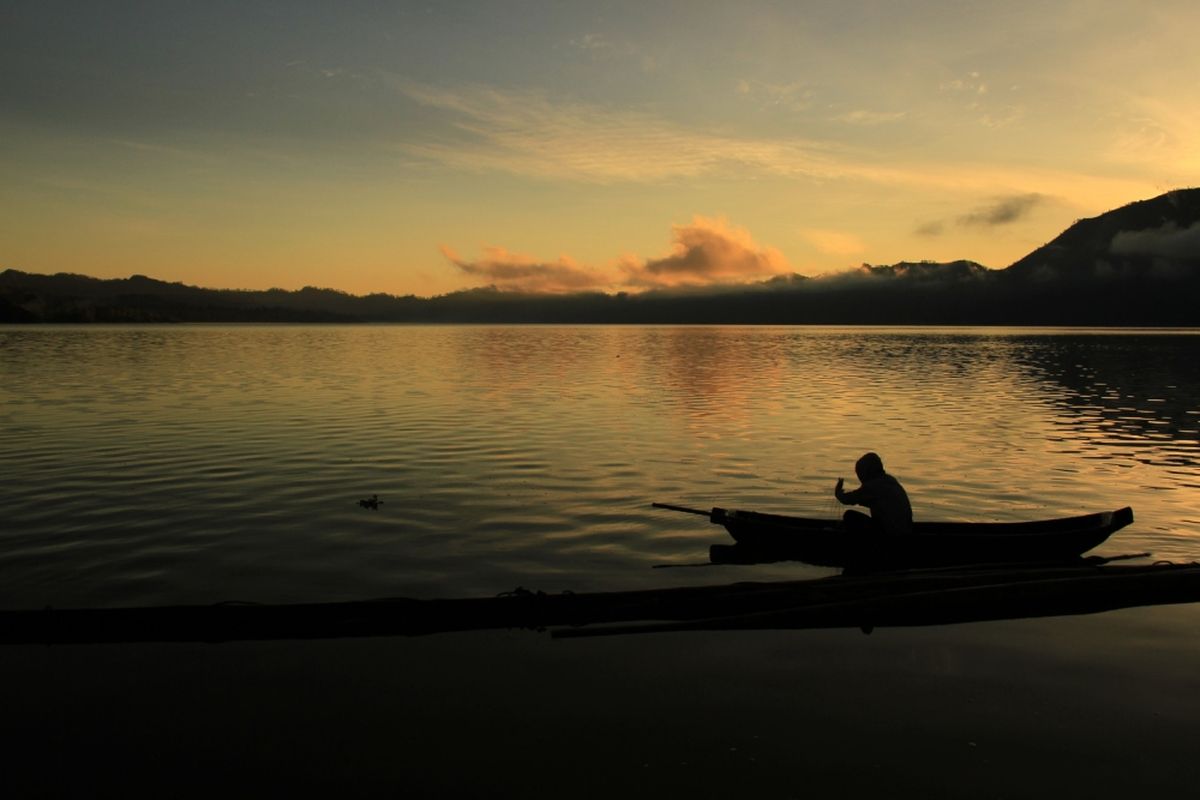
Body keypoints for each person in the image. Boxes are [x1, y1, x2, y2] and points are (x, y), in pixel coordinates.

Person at [834, 452, 912, 536]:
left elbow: (849, 499)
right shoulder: (890, 480)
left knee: (849, 516)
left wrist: (838, 493)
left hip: (890, 533)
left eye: (860, 473)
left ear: (868, 471)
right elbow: (865, 499)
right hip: (905, 530)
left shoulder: (874, 485)